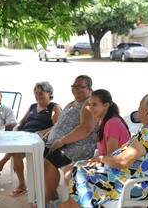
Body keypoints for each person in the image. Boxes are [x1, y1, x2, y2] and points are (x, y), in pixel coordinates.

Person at [61, 92, 148, 208]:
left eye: (140, 106)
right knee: (78, 170)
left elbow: (123, 161)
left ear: (147, 111)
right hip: (127, 179)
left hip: (131, 185)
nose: (138, 110)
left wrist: (102, 159)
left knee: (79, 172)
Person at [0, 81, 62, 197]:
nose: (38, 96)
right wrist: (16, 129)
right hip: (24, 136)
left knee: (16, 148)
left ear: (49, 93)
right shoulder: (33, 106)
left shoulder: (54, 107)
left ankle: (1, 166)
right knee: (16, 148)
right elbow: (22, 122)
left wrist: (42, 132)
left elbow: (58, 127)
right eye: (36, 93)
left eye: (41, 93)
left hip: (39, 140)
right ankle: (19, 183)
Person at [43, 75, 98, 203]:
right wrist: (45, 133)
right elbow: (59, 125)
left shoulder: (88, 104)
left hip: (77, 147)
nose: (76, 89)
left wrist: (61, 141)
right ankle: (44, 192)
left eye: (80, 86)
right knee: (35, 154)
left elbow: (86, 128)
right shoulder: (71, 103)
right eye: (74, 86)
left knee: (48, 161)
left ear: (89, 89)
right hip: (59, 143)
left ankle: (51, 199)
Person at [89, 89, 130, 156]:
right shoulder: (104, 122)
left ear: (106, 105)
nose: (90, 108)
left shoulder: (112, 123)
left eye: (94, 105)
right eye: (90, 104)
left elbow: (111, 157)